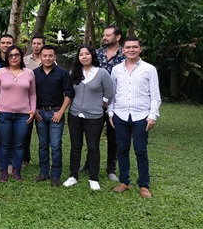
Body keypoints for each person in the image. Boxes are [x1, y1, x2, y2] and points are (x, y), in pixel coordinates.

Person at [108, 36, 161, 198]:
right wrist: (110, 112)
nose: (131, 50)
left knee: (140, 150)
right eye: (128, 47)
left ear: (140, 49)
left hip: (141, 116)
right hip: (120, 115)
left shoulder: (149, 69)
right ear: (122, 50)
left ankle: (144, 185)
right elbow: (112, 93)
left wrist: (153, 115)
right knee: (122, 149)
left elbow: (155, 95)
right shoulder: (116, 69)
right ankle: (124, 181)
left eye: (134, 47)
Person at [64, 45, 114, 191]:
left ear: (92, 55)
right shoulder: (74, 73)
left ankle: (94, 178)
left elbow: (109, 94)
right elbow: (69, 92)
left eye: (87, 54)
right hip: (74, 115)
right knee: (75, 146)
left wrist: (100, 105)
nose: (84, 57)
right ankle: (73, 175)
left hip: (95, 116)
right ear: (78, 57)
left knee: (93, 147)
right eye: (81, 54)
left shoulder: (102, 73)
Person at [81, 25, 126, 182]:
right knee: (93, 135)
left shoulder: (125, 55)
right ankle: (88, 164)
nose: (104, 37)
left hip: (116, 103)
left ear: (117, 37)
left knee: (114, 136)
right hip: (95, 103)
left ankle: (111, 169)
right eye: (104, 35)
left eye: (108, 35)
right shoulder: (97, 54)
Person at [0, 45, 36, 183]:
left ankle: (16, 171)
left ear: (21, 56)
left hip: (23, 115)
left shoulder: (29, 73)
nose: (14, 58)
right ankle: (3, 172)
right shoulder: (0, 72)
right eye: (11, 55)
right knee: (4, 144)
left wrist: (32, 109)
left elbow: (32, 93)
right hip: (3, 114)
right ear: (7, 57)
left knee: (19, 144)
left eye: (16, 55)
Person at [33, 45, 74, 187]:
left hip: (56, 112)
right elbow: (30, 94)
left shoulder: (62, 73)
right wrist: (34, 110)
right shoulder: (34, 73)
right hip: (39, 113)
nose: (47, 58)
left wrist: (61, 112)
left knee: (56, 146)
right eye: (45, 56)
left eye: (50, 55)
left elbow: (69, 94)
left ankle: (55, 175)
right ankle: (44, 172)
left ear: (54, 56)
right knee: (43, 145)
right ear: (41, 57)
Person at [0, 34, 15, 173]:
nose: (6, 45)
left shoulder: (17, 61)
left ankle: (12, 162)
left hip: (14, 104)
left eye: (8, 42)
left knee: (12, 135)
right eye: (3, 43)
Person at [21, 34, 45, 168]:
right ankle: (25, 158)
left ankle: (44, 160)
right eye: (34, 43)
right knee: (26, 131)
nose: (36, 46)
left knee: (43, 134)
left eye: (39, 44)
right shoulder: (24, 61)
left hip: (44, 101)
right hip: (27, 101)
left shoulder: (49, 59)